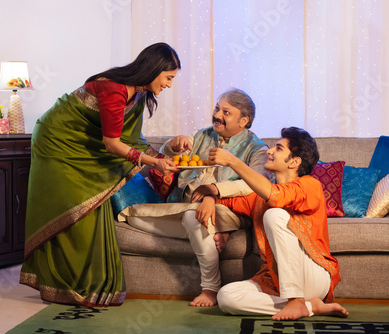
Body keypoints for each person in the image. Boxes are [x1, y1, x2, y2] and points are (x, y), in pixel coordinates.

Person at [19, 42, 181, 307]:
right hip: (57, 142)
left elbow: (131, 138)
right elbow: (112, 144)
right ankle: (61, 284)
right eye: (169, 78)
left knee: (93, 207)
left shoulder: (137, 95)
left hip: (84, 144)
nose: (170, 85)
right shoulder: (113, 89)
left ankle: (80, 284)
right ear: (154, 70)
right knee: (73, 208)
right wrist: (153, 161)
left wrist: (163, 159)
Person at [122, 88, 273, 307]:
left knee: (195, 218)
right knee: (132, 217)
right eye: (217, 108)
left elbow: (256, 185)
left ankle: (210, 289)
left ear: (244, 120)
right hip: (185, 206)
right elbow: (169, 154)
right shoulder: (203, 135)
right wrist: (172, 146)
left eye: (226, 112)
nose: (217, 115)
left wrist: (213, 192)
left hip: (228, 208)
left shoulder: (256, 148)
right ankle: (212, 231)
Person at [206, 126, 348, 320]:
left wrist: (232, 161)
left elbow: (276, 198)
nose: (269, 151)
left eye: (279, 148)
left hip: (313, 274)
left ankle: (297, 299)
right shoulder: (258, 199)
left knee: (274, 215)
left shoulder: (310, 185)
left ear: (294, 162)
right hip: (275, 279)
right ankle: (309, 305)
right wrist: (210, 195)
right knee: (226, 298)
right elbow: (226, 201)